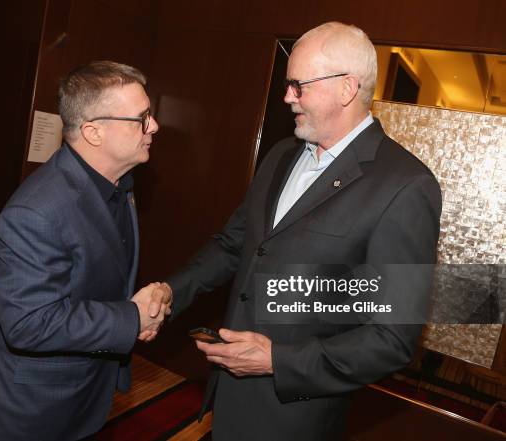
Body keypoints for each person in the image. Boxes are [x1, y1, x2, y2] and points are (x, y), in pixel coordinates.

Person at [159, 22, 442, 440]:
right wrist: (170, 291)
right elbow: (236, 244)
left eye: (298, 85)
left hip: (293, 417)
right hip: (228, 393)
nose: (287, 97)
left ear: (347, 88)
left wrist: (278, 360)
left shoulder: (406, 186)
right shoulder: (281, 155)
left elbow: (391, 338)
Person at [0, 61, 172, 441]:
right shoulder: (35, 213)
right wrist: (130, 319)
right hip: (29, 410)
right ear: (93, 132)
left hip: (84, 392)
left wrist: (143, 310)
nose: (154, 126)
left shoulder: (119, 182)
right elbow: (29, 324)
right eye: (141, 118)